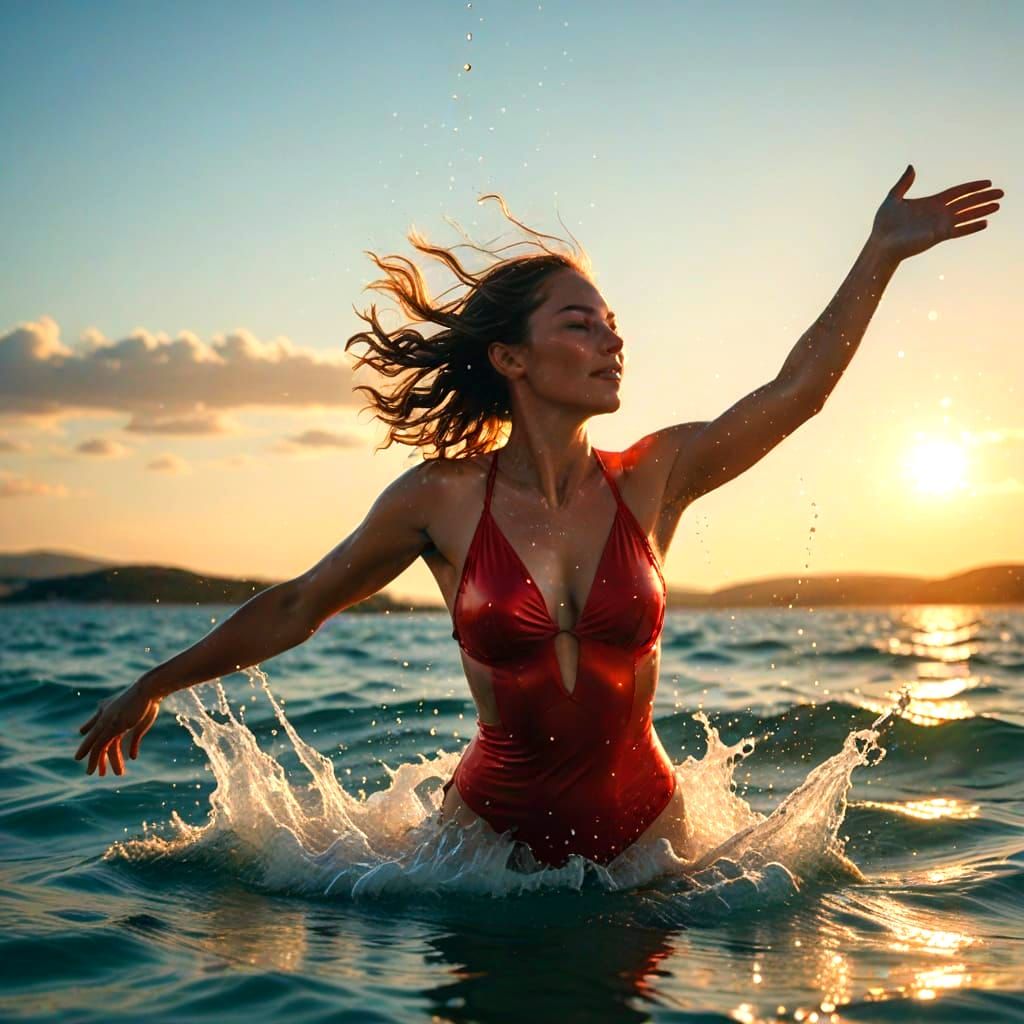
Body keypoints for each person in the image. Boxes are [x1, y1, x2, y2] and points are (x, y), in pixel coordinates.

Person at [75, 169, 1002, 867]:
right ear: (512, 359)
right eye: (580, 324)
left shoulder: (656, 477)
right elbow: (299, 605)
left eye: (612, 322)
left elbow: (799, 390)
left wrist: (879, 252)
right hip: (483, 862)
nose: (612, 338)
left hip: (650, 855)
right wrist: (156, 680)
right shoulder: (437, 501)